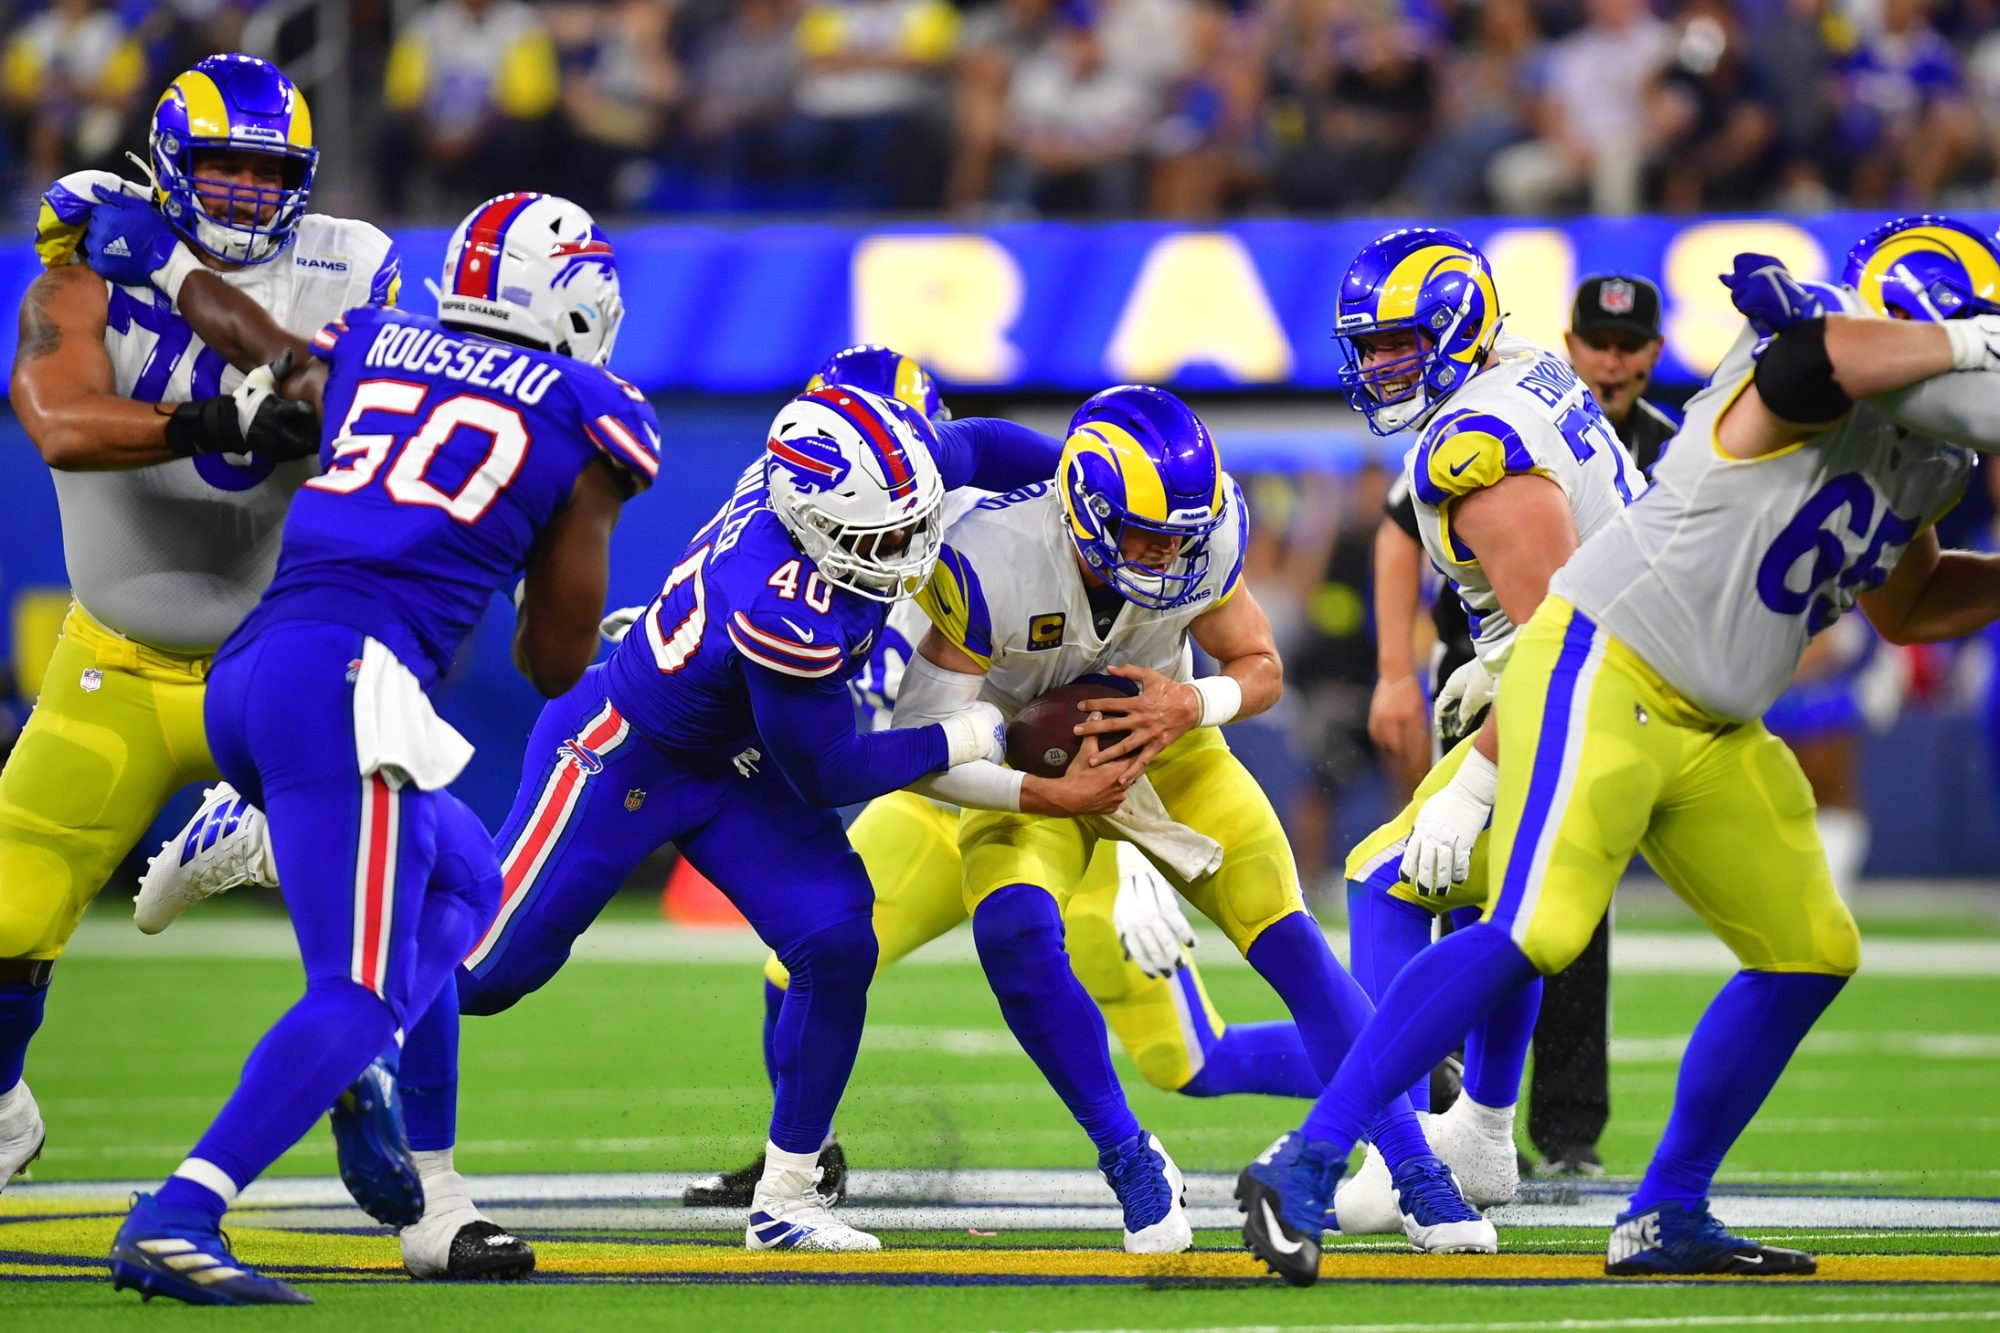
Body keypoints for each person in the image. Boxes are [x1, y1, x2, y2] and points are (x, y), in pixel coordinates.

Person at [140, 359, 1079, 1267]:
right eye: (882, 541)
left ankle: (789, 1199)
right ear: (812, 523)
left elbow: (985, 446)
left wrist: (1075, 476)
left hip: (735, 750)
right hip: (626, 749)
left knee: (836, 937)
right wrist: (972, 733)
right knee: (476, 973)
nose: (908, 553)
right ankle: (267, 835)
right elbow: (830, 767)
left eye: (913, 525)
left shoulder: (877, 475)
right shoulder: (778, 598)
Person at [1240, 217, 2000, 1286]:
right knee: (1532, 928)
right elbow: (1815, 356)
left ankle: (1665, 1208)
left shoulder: (1931, 450)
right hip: (1608, 663)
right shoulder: (1799, 358)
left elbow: (1910, 605)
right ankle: (1308, 1156)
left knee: (1808, 950)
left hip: (1714, 717)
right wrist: (1969, 346)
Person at [100, 188, 655, 1306]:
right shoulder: (594, 414)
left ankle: (420, 1165)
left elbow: (270, 353)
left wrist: (164, 264)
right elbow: (550, 663)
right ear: (585, 300)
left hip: (254, 668)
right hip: (350, 686)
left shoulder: (379, 343)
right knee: (352, 997)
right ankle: (181, 1212)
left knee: (464, 872)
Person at [680, 346, 1325, 1209]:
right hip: (941, 785)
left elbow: (1116, 664)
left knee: (1185, 1059)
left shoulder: (1024, 510)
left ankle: (1398, 1068)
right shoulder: (817, 537)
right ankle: (804, 1156)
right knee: (794, 965)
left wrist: (1132, 850)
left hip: (1069, 787)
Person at [890, 385, 1492, 1255]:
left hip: (1172, 754)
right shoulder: (991, 558)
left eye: (1182, 536)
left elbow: (1260, 664)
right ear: (1086, 510)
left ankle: (1413, 1168)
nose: (1169, 555)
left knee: (1291, 941)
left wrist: (1190, 702)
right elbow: (921, 744)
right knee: (1013, 934)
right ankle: (1129, 1156)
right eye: (1146, 536)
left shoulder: (1200, 538)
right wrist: (1050, 795)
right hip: (1028, 770)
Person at [0, 53, 398, 1199]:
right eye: (216, 166)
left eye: (263, 171)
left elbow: (348, 399)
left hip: (275, 659)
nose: (237, 192)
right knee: (10, 910)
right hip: (115, 656)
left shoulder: (352, 261)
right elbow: (63, 424)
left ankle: (386, 1112)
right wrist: (215, 417)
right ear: (169, 163)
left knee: (374, 931)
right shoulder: (80, 267)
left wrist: (177, 278)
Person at [1324, 230, 1646, 1238]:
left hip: (1593, 690)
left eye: (1394, 344)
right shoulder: (1528, 371)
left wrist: (1474, 776)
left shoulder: (1470, 445)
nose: (1375, 367)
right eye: (1365, 348)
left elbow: (1557, 631)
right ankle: (1486, 1129)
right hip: (1635, 675)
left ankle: (1406, 1144)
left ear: (1454, 328)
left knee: (1382, 879)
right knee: (1509, 910)